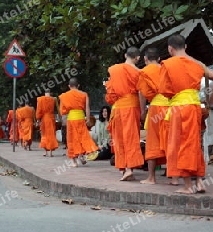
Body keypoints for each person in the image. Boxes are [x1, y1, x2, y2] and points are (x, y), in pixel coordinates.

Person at [159, 34, 213, 194]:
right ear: (185, 47)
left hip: (179, 107)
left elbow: (164, 91)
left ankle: (188, 185)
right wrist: (210, 101)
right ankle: (199, 182)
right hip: (195, 107)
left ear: (170, 49)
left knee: (180, 144)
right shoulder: (197, 64)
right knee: (194, 143)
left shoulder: (168, 64)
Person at [105, 47, 145, 181]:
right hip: (132, 106)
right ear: (138, 58)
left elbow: (110, 92)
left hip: (118, 107)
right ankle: (129, 168)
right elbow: (141, 92)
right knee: (131, 136)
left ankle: (124, 167)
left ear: (125, 55)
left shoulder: (114, 69)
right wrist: (143, 110)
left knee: (119, 138)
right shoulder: (139, 72)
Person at [137, 47, 170, 185]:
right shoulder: (166, 68)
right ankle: (173, 176)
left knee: (153, 141)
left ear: (145, 59)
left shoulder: (144, 72)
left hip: (156, 107)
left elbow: (142, 93)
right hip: (170, 107)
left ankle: (151, 177)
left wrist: (142, 111)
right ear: (159, 59)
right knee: (170, 140)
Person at [59, 77, 99, 167]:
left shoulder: (64, 96)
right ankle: (82, 155)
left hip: (71, 119)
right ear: (78, 86)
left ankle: (74, 162)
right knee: (82, 138)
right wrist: (88, 119)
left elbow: (63, 111)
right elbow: (87, 108)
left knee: (72, 140)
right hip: (81, 118)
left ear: (69, 86)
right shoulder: (84, 94)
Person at [36, 89, 59, 157]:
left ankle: (46, 152)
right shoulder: (53, 99)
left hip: (44, 118)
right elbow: (57, 109)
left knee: (44, 134)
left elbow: (39, 110)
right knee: (51, 134)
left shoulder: (40, 99)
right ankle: (51, 153)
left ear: (45, 93)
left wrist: (38, 119)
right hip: (51, 118)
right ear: (50, 93)